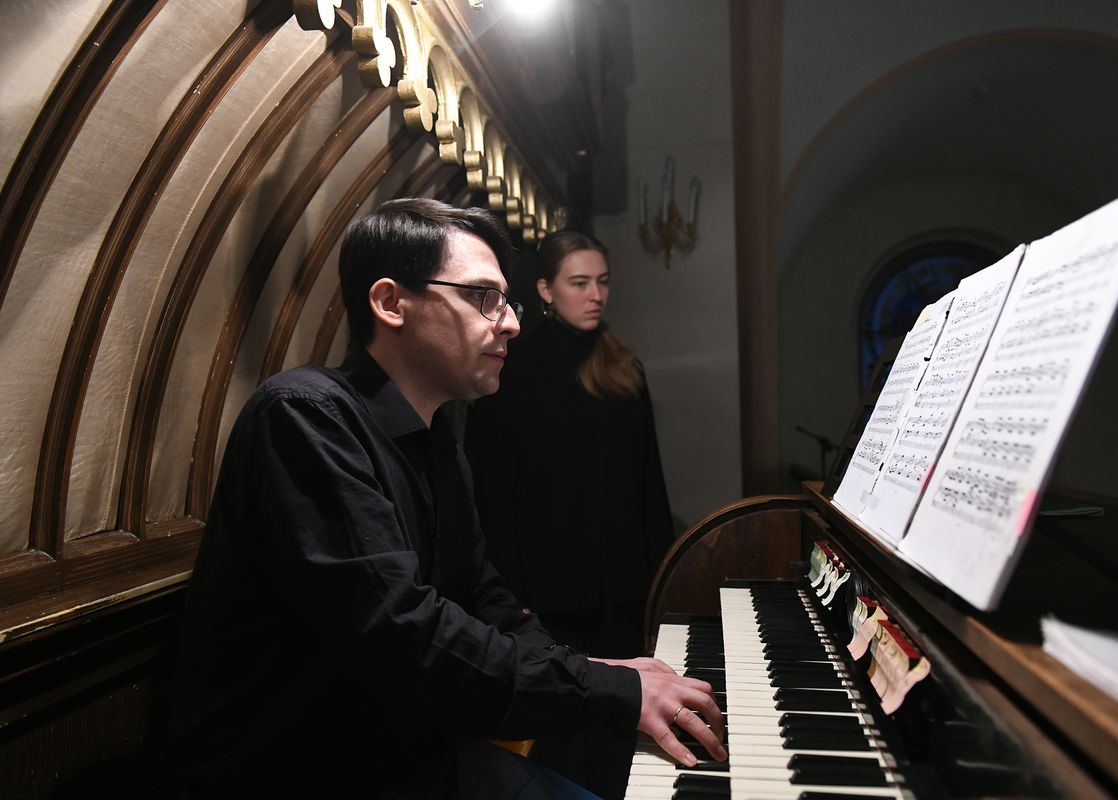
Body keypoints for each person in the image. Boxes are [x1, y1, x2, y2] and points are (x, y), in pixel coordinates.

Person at [165, 199, 725, 798]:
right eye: (483, 297)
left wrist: (587, 669)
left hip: (413, 758)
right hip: (306, 775)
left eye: (506, 301)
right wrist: (603, 689)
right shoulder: (304, 417)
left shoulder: (436, 439)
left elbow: (482, 594)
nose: (510, 323)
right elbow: (401, 633)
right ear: (390, 303)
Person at [464, 231, 676, 797]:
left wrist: (662, 581)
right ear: (545, 290)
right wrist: (509, 593)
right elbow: (491, 492)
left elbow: (649, 485)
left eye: (602, 282)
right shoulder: (511, 367)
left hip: (621, 591)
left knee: (624, 745)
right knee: (562, 744)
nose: (595, 295)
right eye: (579, 283)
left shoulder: (624, 364)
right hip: (545, 596)